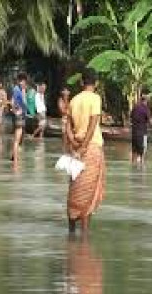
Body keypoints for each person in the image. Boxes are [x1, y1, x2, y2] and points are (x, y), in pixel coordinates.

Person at [66, 69, 106, 234]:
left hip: (75, 146)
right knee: (88, 193)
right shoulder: (95, 98)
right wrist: (84, 146)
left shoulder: (74, 100)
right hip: (91, 147)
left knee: (75, 188)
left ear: (82, 83)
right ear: (96, 83)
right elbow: (93, 122)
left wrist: (74, 142)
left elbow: (67, 126)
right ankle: (84, 237)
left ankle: (71, 232)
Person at [11, 72, 28, 169]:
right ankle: (16, 162)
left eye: (24, 81)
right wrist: (24, 91)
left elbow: (14, 102)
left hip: (19, 115)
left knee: (19, 138)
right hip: (19, 116)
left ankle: (14, 157)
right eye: (22, 81)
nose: (23, 83)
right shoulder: (18, 90)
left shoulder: (17, 89)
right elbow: (23, 103)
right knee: (17, 139)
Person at [58, 86, 71, 151]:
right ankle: (64, 149)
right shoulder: (61, 100)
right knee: (65, 134)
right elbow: (62, 110)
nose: (67, 92)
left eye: (67, 91)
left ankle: (66, 149)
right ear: (62, 92)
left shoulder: (69, 100)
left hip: (69, 119)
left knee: (69, 135)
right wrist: (65, 99)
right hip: (64, 118)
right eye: (65, 91)